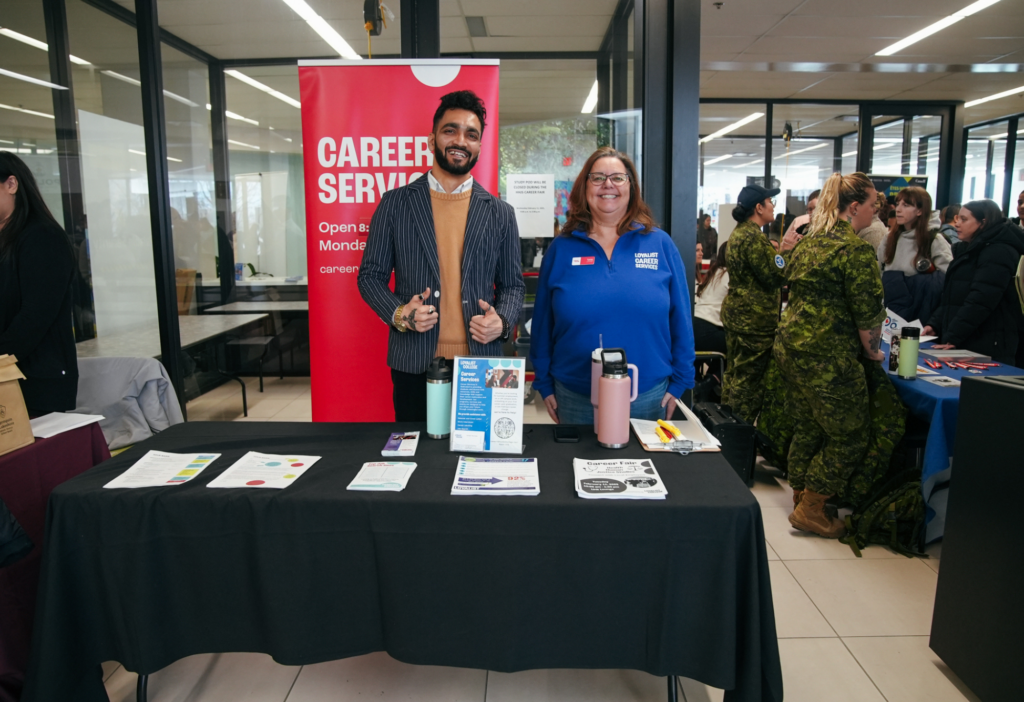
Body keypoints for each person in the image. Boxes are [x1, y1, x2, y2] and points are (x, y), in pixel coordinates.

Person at [358, 90, 525, 420]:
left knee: (478, 461)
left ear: (479, 146)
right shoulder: (395, 204)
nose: (460, 140)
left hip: (483, 363)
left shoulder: (501, 213)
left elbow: (513, 286)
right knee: (419, 459)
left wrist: (502, 323)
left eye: (471, 134)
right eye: (450, 130)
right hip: (414, 362)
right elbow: (370, 277)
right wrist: (400, 313)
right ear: (432, 139)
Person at [530, 146, 695, 424]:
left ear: (631, 187)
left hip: (646, 396)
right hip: (574, 395)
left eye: (618, 177)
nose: (608, 184)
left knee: (641, 469)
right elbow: (543, 323)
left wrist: (680, 381)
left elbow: (681, 319)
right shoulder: (561, 249)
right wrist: (544, 382)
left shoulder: (660, 245)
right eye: (597, 178)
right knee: (575, 467)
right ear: (585, 187)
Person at [774, 172, 887, 538]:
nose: (875, 212)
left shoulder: (809, 244)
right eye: (872, 205)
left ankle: (800, 497)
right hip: (828, 358)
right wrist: (873, 354)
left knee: (808, 426)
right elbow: (867, 315)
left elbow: (786, 280)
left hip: (792, 349)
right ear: (854, 207)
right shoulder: (854, 251)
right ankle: (813, 507)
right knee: (850, 435)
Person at [0, 151, 78, 415]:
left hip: (38, 379)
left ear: (11, 185)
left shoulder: (42, 237)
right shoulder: (5, 239)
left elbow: (35, 316)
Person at [720, 184, 798, 424]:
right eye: (770, 202)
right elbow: (775, 275)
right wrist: (787, 250)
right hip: (753, 321)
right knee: (749, 382)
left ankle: (724, 424)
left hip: (740, 315)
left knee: (734, 374)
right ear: (758, 207)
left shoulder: (739, 233)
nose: (773, 206)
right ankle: (737, 432)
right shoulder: (753, 237)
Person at [923, 199, 1024, 365]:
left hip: (988, 341)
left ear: (983, 223)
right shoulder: (966, 249)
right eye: (957, 218)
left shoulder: (999, 252)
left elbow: (981, 300)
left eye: (964, 219)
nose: (957, 224)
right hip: (967, 337)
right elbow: (953, 296)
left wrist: (953, 336)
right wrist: (935, 324)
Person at [877, 187, 952, 275]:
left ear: (919, 211)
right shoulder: (889, 238)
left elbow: (947, 276)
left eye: (906, 205)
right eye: (898, 204)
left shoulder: (934, 240)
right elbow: (880, 271)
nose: (898, 209)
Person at [693, 242, 729, 355]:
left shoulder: (715, 273)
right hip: (708, 328)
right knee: (738, 346)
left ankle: (713, 372)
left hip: (694, 324)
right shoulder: (730, 275)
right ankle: (714, 373)